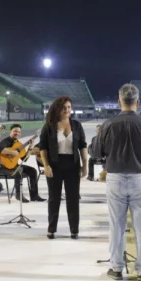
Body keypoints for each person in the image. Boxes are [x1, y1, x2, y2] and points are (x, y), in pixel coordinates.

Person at [93, 83, 141, 281]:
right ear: (138, 103)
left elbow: (94, 152)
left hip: (116, 178)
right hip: (140, 178)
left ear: (119, 102)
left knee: (116, 225)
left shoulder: (108, 125)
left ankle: (117, 267)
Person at [38, 96, 88, 239]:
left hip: (72, 165)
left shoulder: (77, 125)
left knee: (73, 198)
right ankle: (51, 228)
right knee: (54, 198)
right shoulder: (49, 125)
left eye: (69, 107)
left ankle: (74, 230)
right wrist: (46, 166)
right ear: (58, 109)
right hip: (55, 165)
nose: (67, 110)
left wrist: (85, 165)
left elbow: (83, 146)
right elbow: (43, 148)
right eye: (64, 107)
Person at [0, 124, 46, 203]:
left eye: (19, 132)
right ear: (11, 131)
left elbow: (25, 159)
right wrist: (13, 152)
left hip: (14, 165)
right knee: (18, 172)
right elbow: (1, 149)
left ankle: (34, 195)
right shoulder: (5, 141)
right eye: (15, 131)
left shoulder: (20, 144)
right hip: (3, 167)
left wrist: (30, 147)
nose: (17, 133)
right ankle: (18, 195)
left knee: (33, 171)